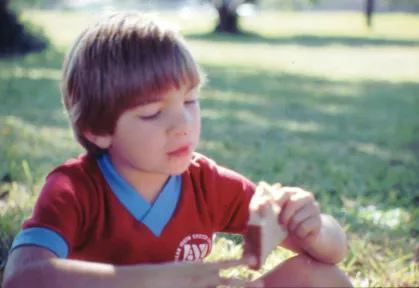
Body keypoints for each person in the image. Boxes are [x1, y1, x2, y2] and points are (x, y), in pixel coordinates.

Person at [2, 11, 352, 288]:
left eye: (190, 100)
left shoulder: (207, 183)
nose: (182, 123)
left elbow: (331, 251)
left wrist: (315, 228)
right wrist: (149, 280)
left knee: (321, 278)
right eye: (152, 113)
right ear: (97, 129)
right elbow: (22, 277)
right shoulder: (74, 189)